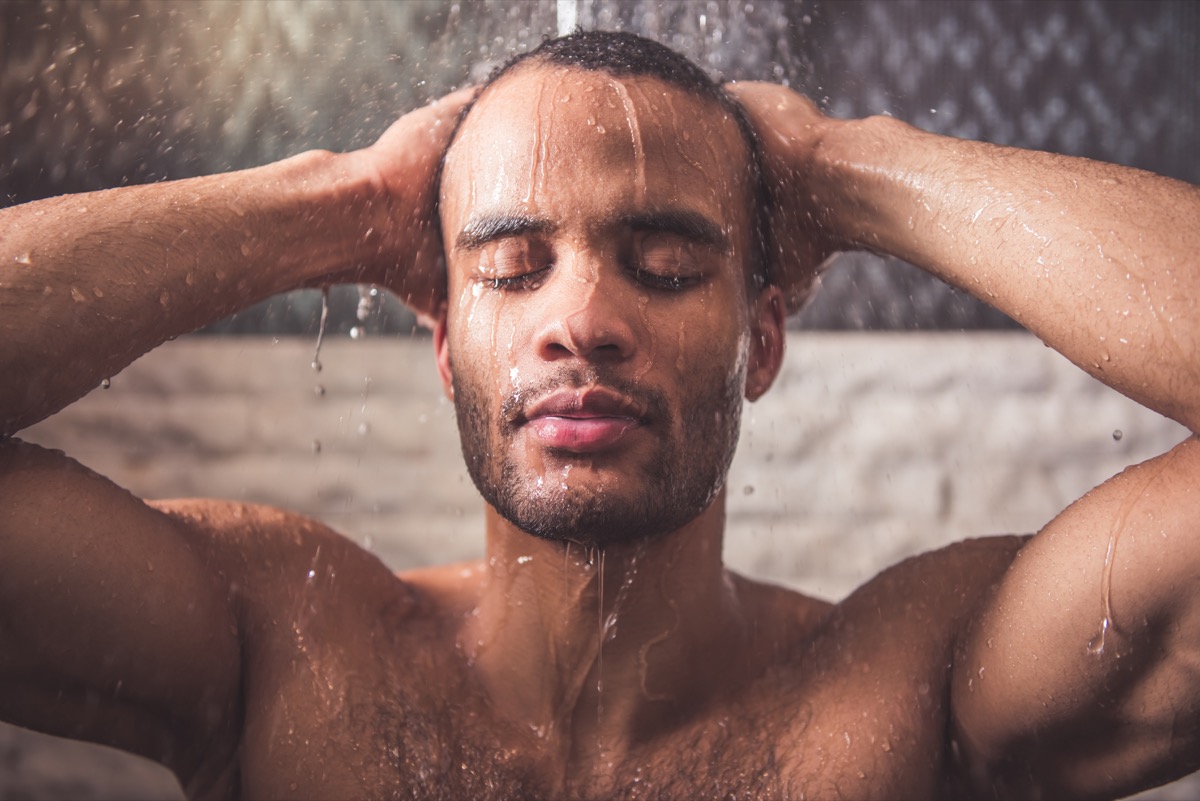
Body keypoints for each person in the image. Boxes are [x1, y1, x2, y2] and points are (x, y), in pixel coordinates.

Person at [1, 29, 1198, 800]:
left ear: (761, 340)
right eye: (513, 267)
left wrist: (842, 170)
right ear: (443, 346)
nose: (581, 319)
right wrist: (347, 200)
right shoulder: (279, 650)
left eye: (668, 263)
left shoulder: (910, 690)